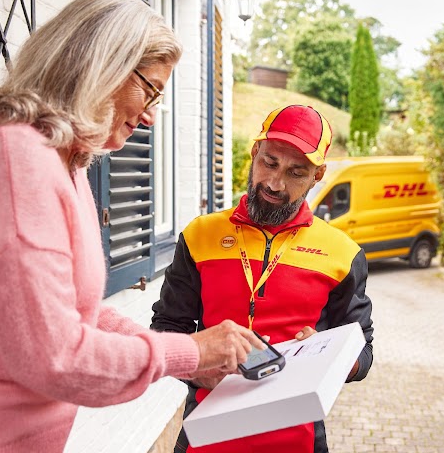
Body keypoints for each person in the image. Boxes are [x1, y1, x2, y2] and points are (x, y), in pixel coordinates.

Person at [0, 0, 265, 453]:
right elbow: (55, 356)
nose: (152, 116)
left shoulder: (64, 163)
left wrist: (187, 358)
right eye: (150, 89)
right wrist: (193, 352)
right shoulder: (18, 159)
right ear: (101, 65)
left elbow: (81, 312)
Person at [151, 105, 374, 453]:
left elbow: (363, 348)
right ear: (255, 152)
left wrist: (331, 358)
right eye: (269, 163)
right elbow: (167, 327)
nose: (275, 183)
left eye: (296, 173)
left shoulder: (343, 253)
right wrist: (197, 366)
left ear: (317, 176)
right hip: (206, 433)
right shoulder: (200, 235)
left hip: (297, 439)